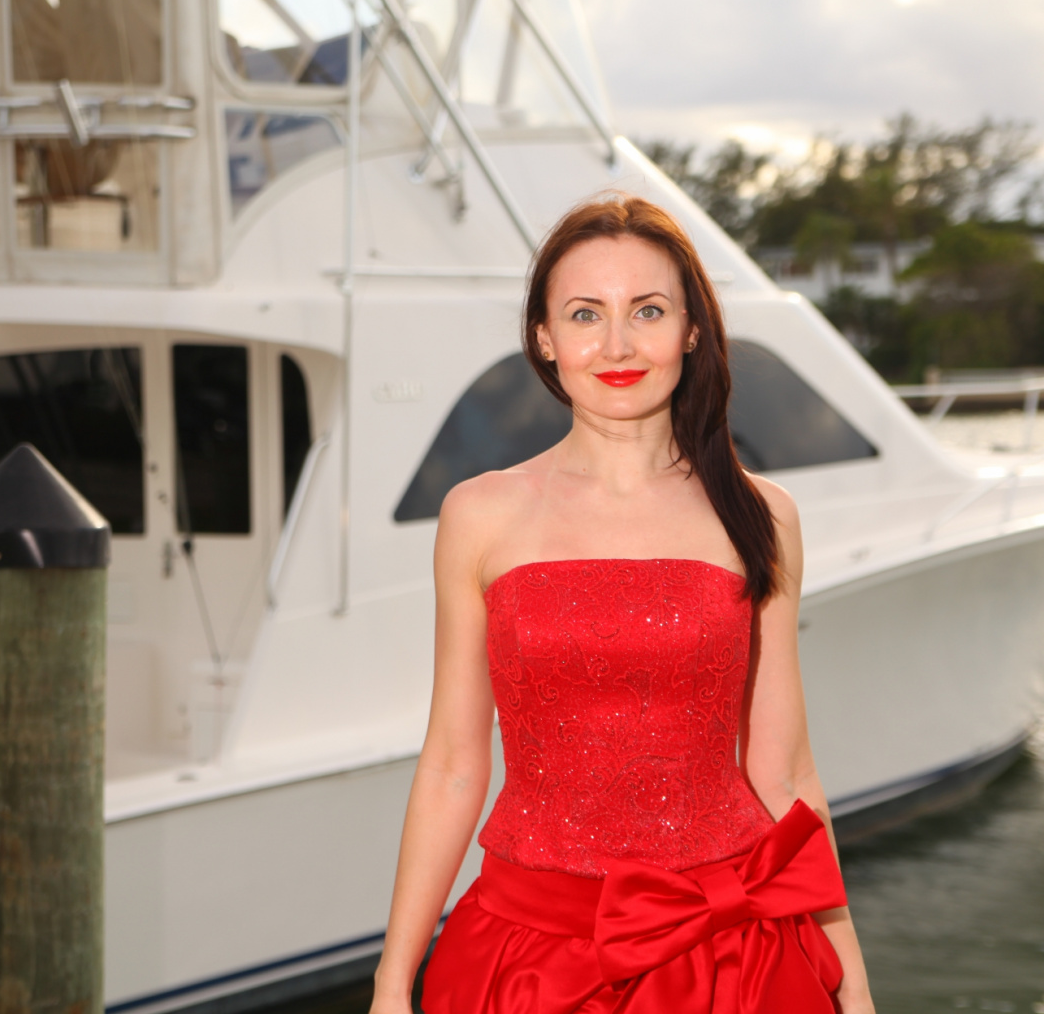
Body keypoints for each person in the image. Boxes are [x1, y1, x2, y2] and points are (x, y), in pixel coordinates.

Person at [369, 196, 874, 1014]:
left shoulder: (761, 515)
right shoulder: (479, 515)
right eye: (584, 314)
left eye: (647, 311)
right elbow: (455, 764)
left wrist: (854, 986)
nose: (617, 345)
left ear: (692, 330)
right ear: (544, 337)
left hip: (733, 963)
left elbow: (784, 771)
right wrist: (392, 984)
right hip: (530, 960)